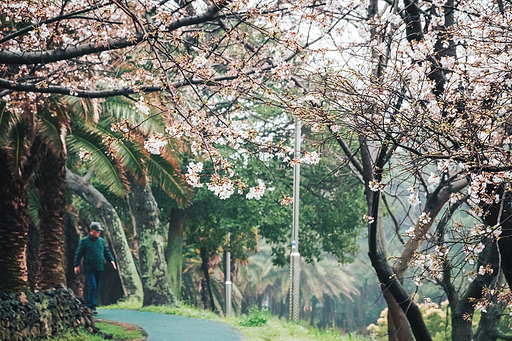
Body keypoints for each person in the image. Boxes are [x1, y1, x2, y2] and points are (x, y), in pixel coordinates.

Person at [74, 222, 117, 314]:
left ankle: (89, 304)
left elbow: (106, 251)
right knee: (92, 286)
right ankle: (91, 306)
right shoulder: (84, 241)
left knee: (96, 287)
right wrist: (76, 265)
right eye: (97, 231)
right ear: (92, 231)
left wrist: (112, 260)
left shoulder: (101, 241)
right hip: (89, 268)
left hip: (99, 268)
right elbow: (79, 253)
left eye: (99, 231)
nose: (99, 233)